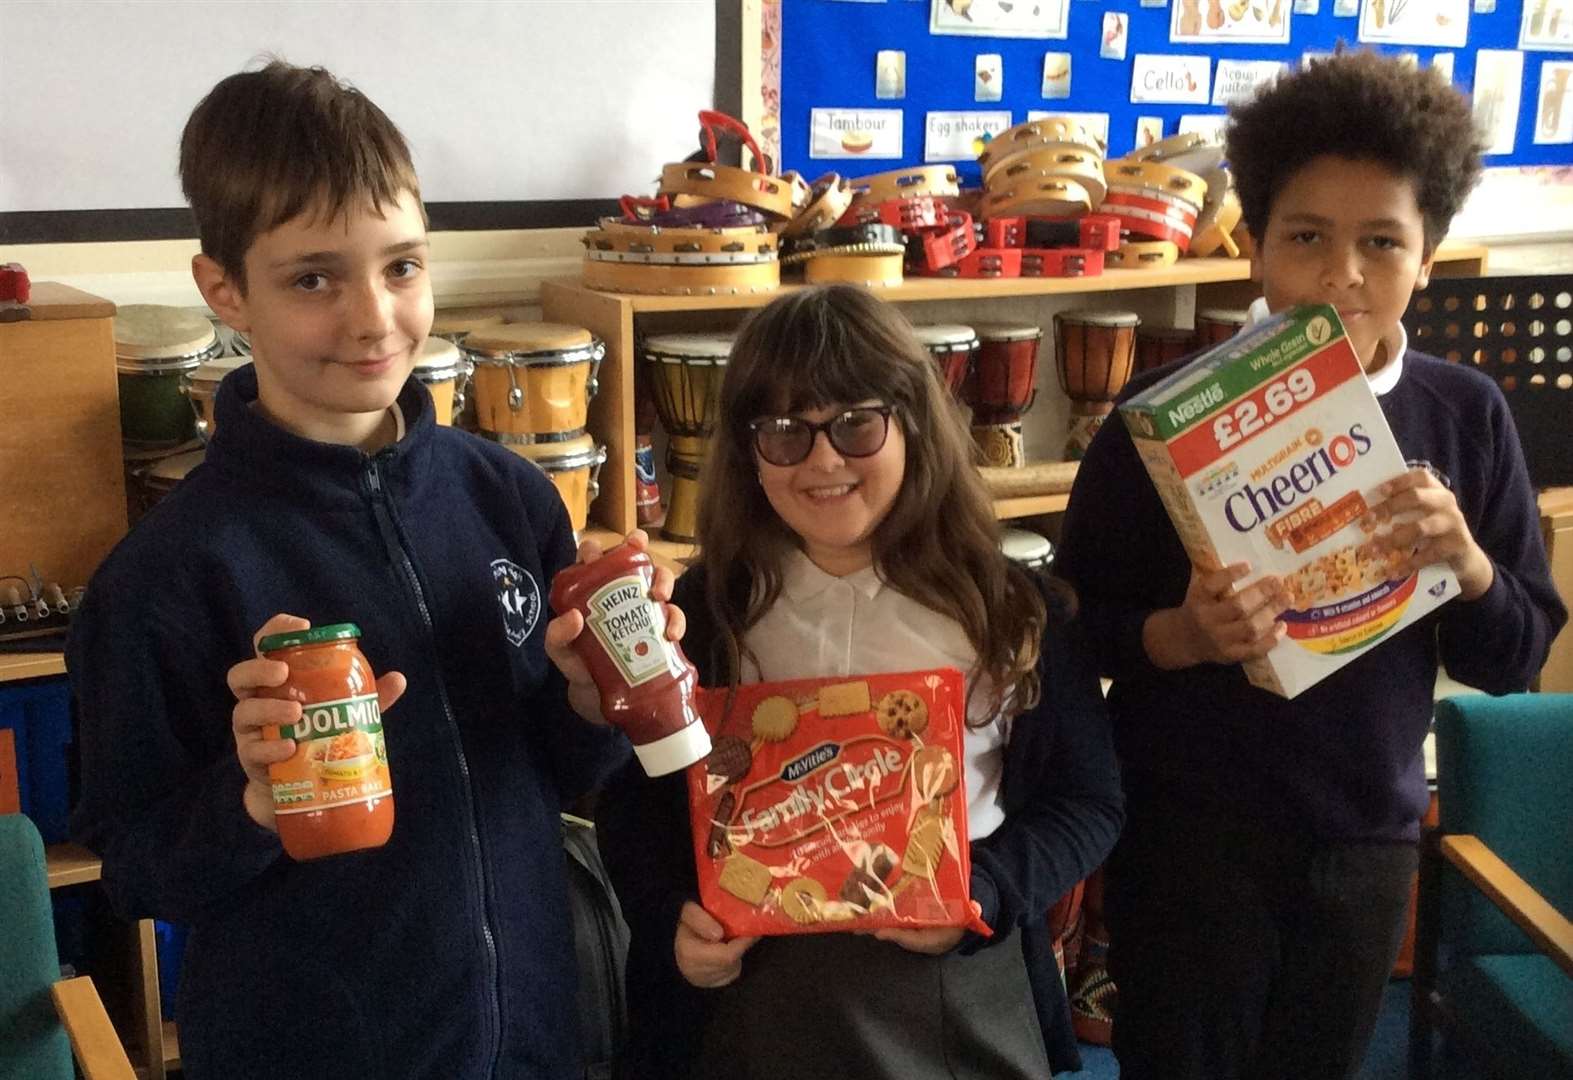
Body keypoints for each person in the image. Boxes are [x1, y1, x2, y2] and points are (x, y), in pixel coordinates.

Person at [67, 61, 639, 1079]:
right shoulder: (165, 574)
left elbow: (559, 777)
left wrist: (594, 702)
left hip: (533, 1042)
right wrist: (248, 801)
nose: (374, 317)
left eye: (402, 266)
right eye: (314, 279)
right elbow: (138, 871)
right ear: (225, 292)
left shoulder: (509, 498)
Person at [1056, 49, 1568, 1080]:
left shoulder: (1463, 415)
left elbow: (1518, 653)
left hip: (1365, 839)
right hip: (1187, 835)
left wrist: (1465, 562)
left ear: (1429, 256)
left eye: (1382, 242)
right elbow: (1070, 625)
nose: (1342, 275)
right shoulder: (1159, 422)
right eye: (1306, 238)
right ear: (1254, 249)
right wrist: (1179, 634)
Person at [549, 284, 1123, 1080]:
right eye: (784, 432)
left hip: (953, 982)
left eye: (855, 423)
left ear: (911, 423)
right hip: (755, 990)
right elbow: (640, 809)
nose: (822, 459)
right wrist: (671, 917)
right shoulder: (704, 617)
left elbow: (1088, 803)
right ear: (748, 453)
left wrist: (983, 891)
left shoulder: (1012, 611)